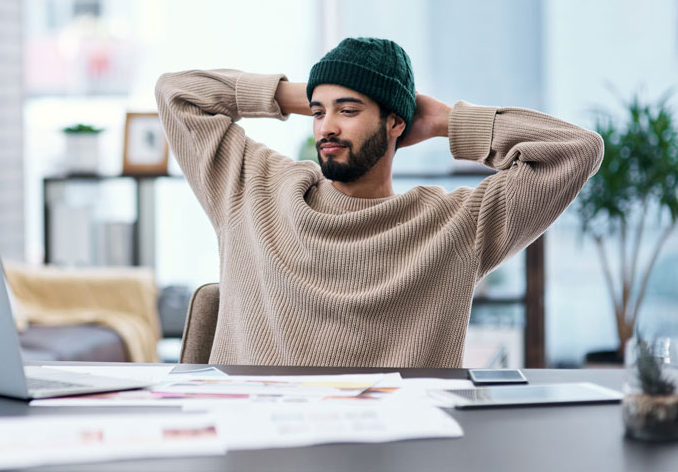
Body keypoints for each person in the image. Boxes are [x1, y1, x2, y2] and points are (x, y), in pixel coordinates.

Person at [155, 37, 604, 367]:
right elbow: (178, 94)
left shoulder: (455, 225)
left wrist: (449, 121)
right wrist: (305, 92)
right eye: (318, 113)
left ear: (395, 123)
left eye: (348, 111)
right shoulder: (256, 189)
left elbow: (575, 150)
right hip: (255, 447)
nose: (326, 127)